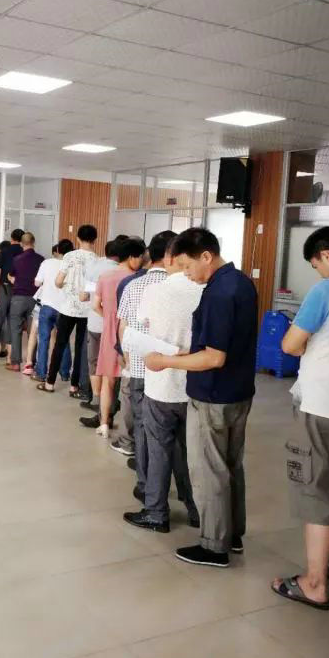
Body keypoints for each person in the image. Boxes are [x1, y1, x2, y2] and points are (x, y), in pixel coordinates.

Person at [146, 227, 257, 568]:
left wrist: (165, 361)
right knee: (231, 466)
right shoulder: (240, 283)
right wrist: (184, 354)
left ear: (206, 256)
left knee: (209, 471)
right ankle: (232, 534)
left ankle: (214, 546)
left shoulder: (219, 293)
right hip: (238, 391)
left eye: (186, 265)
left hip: (212, 395)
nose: (185, 273)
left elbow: (214, 357)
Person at [271, 226, 329, 610]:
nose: (319, 273)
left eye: (315, 265)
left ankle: (314, 583)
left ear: (327, 255)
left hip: (322, 408)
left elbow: (290, 344)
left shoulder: (327, 291)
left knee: (316, 493)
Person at [123, 236, 202, 532]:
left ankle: (156, 512)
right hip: (194, 384)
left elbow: (140, 325)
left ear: (170, 258)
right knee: (190, 452)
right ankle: (196, 510)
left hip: (160, 383)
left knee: (158, 450)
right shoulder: (205, 290)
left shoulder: (153, 291)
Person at [113, 231, 174, 459]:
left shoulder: (133, 285)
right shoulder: (183, 286)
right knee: (167, 423)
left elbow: (123, 326)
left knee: (140, 417)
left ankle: (142, 463)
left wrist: (126, 357)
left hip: (138, 365)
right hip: (171, 367)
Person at [91, 238, 145, 439]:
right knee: (129, 382)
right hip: (130, 331)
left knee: (108, 381)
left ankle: (104, 423)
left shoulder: (105, 276)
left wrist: (108, 318)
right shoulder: (135, 279)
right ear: (131, 257)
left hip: (109, 332)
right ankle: (129, 430)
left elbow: (95, 305)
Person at [37, 224, 98, 394]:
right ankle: (74, 386)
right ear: (95, 240)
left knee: (60, 344)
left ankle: (50, 383)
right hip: (86, 311)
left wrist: (66, 285)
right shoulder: (96, 260)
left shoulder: (69, 256)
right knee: (80, 348)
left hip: (67, 308)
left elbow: (58, 281)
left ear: (77, 238)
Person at [78, 240, 120, 417]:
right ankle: (111, 401)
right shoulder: (124, 272)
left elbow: (83, 296)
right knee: (113, 364)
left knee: (94, 361)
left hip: (95, 322)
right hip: (116, 326)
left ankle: (96, 399)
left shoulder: (94, 268)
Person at [33, 240, 74, 382]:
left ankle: (41, 373)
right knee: (64, 340)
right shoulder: (72, 265)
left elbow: (37, 283)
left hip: (47, 306)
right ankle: (65, 373)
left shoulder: (47, 263)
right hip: (64, 309)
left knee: (43, 340)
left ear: (57, 250)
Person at [6, 232, 44, 372]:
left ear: (21, 243)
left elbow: (11, 275)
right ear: (34, 242)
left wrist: (12, 279)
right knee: (32, 332)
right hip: (34, 299)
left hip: (18, 298)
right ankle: (31, 362)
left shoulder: (16, 259)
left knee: (15, 330)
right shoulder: (41, 259)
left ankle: (15, 363)